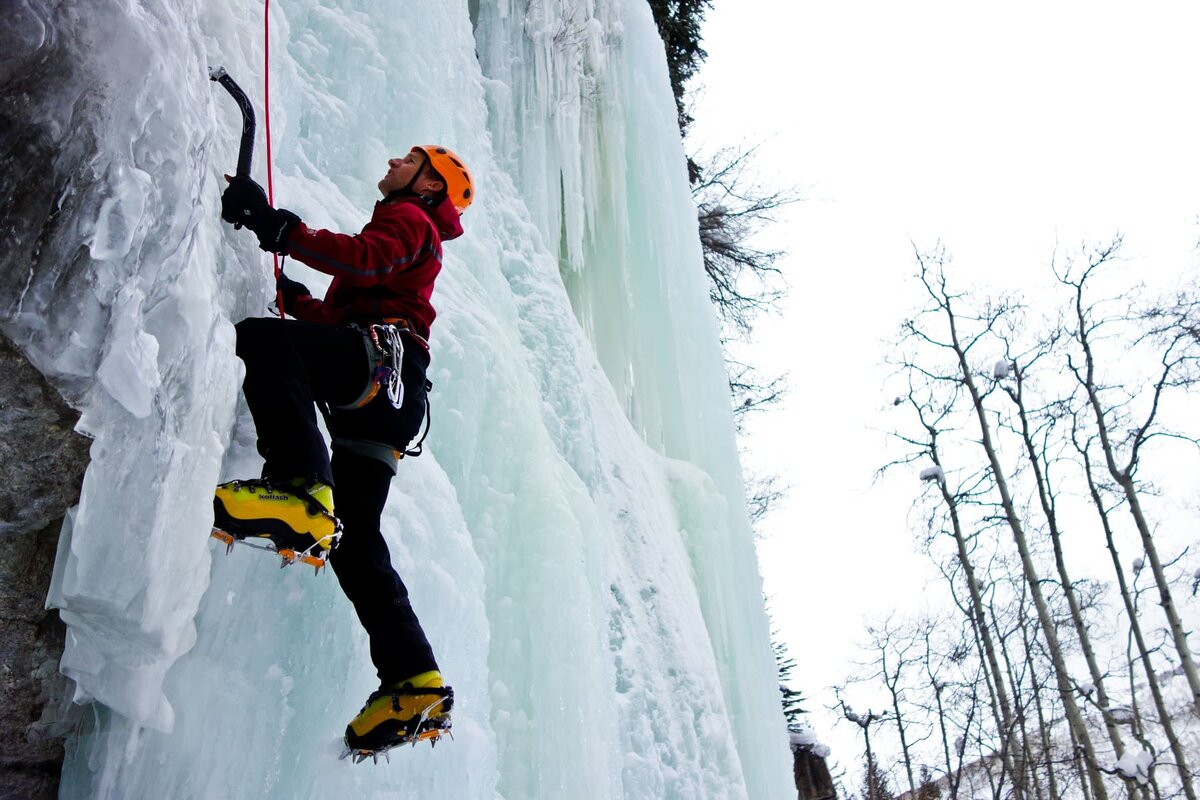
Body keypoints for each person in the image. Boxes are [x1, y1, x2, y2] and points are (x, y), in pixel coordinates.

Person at [213, 145, 473, 755]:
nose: (394, 161)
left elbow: (365, 259)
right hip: (393, 398)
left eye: (411, 159)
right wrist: (298, 300)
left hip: (380, 367)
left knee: (263, 342)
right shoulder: (412, 229)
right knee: (355, 539)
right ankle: (414, 679)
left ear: (429, 186)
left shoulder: (409, 219)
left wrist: (277, 227)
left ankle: (300, 487)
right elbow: (347, 310)